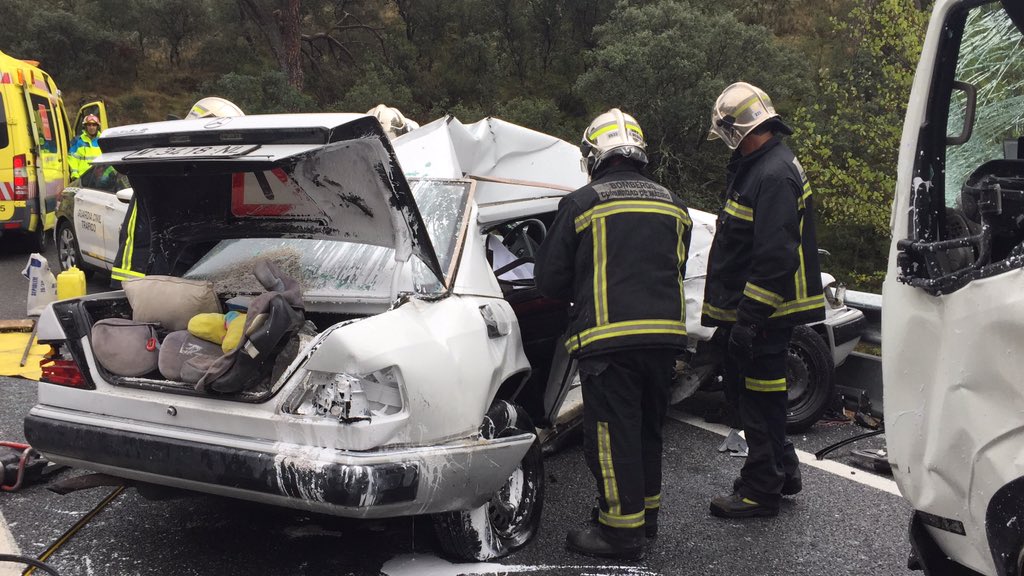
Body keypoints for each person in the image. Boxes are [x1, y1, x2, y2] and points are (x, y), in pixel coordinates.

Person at [535, 108, 692, 560]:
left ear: (594, 154)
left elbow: (548, 280)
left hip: (609, 342)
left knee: (610, 435)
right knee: (646, 430)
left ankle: (619, 534)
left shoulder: (583, 203)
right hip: (664, 339)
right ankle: (646, 519)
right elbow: (673, 269)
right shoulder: (673, 205)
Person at [702, 82, 825, 518]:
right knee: (766, 398)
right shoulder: (765, 166)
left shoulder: (771, 174)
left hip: (767, 312)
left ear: (737, 129)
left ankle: (759, 491)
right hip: (767, 312)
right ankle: (781, 470)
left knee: (756, 399)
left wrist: (748, 321)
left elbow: (774, 258)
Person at [111, 98, 244, 286]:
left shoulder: (226, 177)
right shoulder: (159, 169)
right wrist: (126, 283)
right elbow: (137, 234)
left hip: (202, 275)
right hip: (160, 276)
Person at [68, 114, 102, 180]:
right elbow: (73, 159)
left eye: (94, 125)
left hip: (100, 178)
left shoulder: (102, 140)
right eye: (89, 125)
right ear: (85, 127)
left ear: (97, 127)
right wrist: (75, 175)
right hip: (83, 178)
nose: (91, 127)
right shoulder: (78, 141)